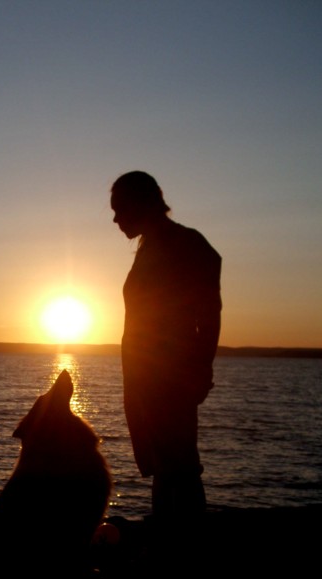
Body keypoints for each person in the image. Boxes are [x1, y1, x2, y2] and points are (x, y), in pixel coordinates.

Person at [110, 171, 222, 518]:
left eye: (119, 209)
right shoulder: (149, 249)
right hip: (145, 375)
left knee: (180, 465)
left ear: (140, 203)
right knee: (164, 463)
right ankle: (165, 537)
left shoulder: (185, 243)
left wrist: (201, 368)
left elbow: (209, 312)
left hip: (170, 375)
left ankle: (183, 541)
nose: (115, 219)